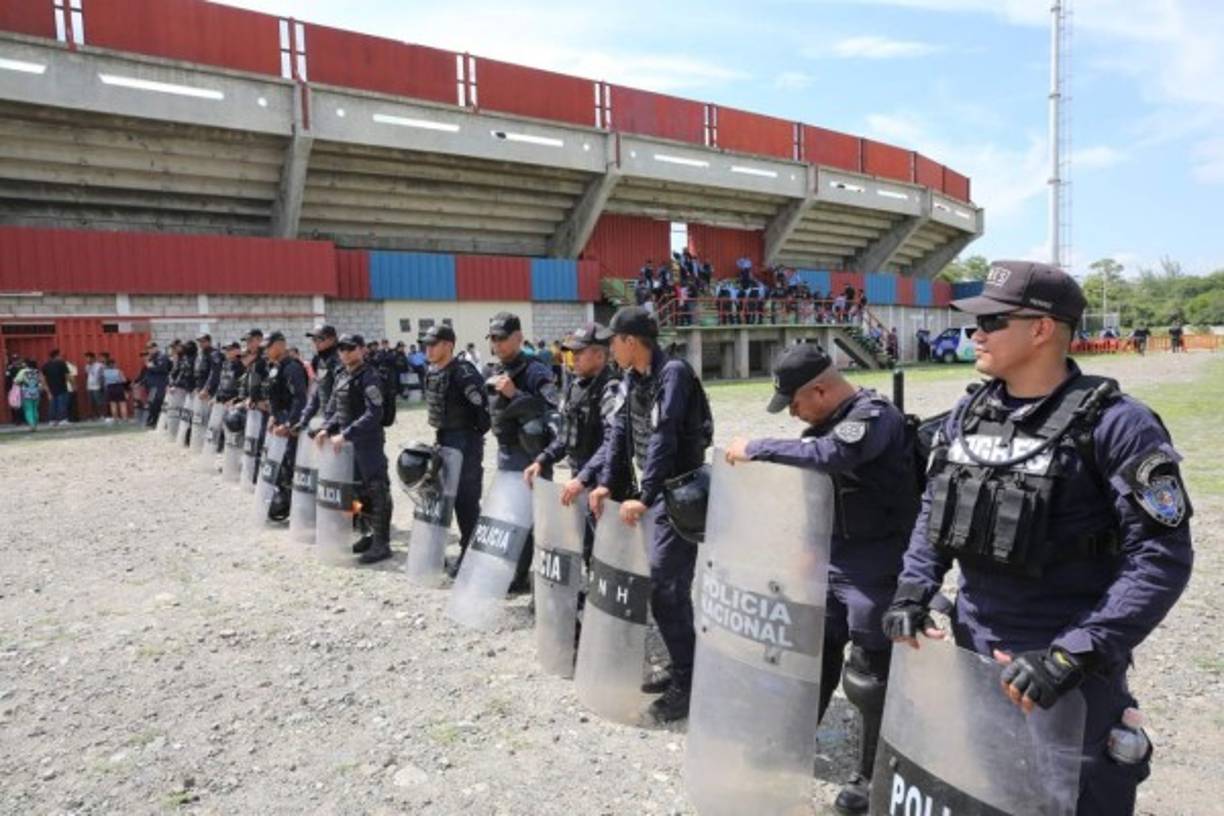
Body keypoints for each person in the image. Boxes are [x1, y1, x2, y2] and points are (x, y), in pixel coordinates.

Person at [881, 260, 1193, 815]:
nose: (975, 333)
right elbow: (936, 509)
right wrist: (913, 588)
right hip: (974, 650)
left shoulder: (1118, 425)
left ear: (1043, 328)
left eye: (992, 321)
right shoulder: (969, 413)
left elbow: (1161, 558)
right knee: (987, 789)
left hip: (1067, 669)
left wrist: (1072, 655)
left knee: (1071, 800)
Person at [723, 344, 919, 814]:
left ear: (821, 389)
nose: (792, 415)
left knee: (871, 678)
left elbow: (834, 456)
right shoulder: (825, 422)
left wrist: (759, 447)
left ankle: (873, 775)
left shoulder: (873, 416)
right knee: (812, 657)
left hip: (876, 564)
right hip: (831, 559)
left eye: (794, 404)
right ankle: (791, 743)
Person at [589, 305, 713, 723]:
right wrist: (607, 482)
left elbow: (663, 436)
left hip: (682, 496)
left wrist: (644, 493)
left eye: (613, 341)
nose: (610, 349)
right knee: (667, 588)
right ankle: (688, 671)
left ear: (630, 341)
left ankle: (690, 682)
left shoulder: (673, 373)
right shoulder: (630, 377)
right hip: (659, 496)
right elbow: (621, 431)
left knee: (666, 585)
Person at [524, 322, 627, 559]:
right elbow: (566, 435)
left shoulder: (611, 389)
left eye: (580, 353)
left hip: (605, 483)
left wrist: (584, 478)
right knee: (584, 545)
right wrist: (542, 459)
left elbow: (613, 442)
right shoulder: (575, 387)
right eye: (572, 352)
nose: (574, 358)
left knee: (609, 552)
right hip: (580, 480)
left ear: (600, 355)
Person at [487, 311, 560, 591]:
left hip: (531, 456)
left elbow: (552, 412)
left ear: (518, 337)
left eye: (503, 339)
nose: (497, 345)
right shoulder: (494, 372)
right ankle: (517, 576)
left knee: (540, 523)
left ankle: (547, 583)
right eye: (493, 339)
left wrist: (515, 395)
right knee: (512, 519)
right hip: (505, 454)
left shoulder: (536, 371)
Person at [316, 333, 394, 564]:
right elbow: (336, 411)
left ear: (362, 350)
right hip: (347, 446)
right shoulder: (341, 375)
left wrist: (346, 434)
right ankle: (368, 533)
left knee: (377, 490)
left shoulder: (369, 377)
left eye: (351, 348)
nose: (345, 353)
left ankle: (382, 543)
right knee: (357, 492)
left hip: (367, 443)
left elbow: (375, 413)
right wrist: (326, 429)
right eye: (342, 349)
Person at [419, 324, 490, 576]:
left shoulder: (463, 372)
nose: (427, 349)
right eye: (426, 344)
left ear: (448, 345)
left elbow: (483, 414)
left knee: (466, 500)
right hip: (445, 439)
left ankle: (472, 554)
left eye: (433, 344)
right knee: (443, 495)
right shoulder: (435, 370)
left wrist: (470, 441)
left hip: (465, 442)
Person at [264, 331, 310, 521]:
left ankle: (302, 510)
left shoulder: (292, 367)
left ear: (281, 345)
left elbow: (300, 399)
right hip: (280, 421)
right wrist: (273, 416)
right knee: (282, 465)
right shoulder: (276, 367)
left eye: (269, 346)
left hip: (291, 424)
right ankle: (285, 503)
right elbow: (274, 396)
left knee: (293, 465)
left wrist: (290, 423)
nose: (266, 350)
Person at [295, 324, 341, 434]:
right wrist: (304, 419)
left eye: (319, 339)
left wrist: (328, 425)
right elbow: (318, 393)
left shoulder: (339, 361)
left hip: (341, 423)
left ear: (332, 339)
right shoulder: (321, 360)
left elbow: (343, 398)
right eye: (314, 340)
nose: (316, 343)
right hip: (328, 420)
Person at [40, 349, 71, 426]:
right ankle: (62, 420)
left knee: (52, 405)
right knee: (62, 404)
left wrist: (47, 390)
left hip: (51, 389)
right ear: (57, 356)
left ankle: (52, 420)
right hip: (62, 387)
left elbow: (42, 379)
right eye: (60, 355)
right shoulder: (62, 363)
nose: (61, 357)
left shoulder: (45, 365)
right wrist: (71, 384)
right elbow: (67, 376)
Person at [14, 359, 45, 431]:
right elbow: (42, 381)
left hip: (26, 392)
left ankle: (31, 425)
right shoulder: (38, 371)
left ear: (27, 365)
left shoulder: (23, 371)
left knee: (28, 409)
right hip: (36, 392)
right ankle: (35, 424)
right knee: (35, 409)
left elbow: (16, 381)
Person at [101, 358, 129, 423]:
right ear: (113, 364)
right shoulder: (118, 371)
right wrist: (126, 390)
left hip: (110, 388)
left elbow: (104, 382)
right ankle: (124, 419)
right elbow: (124, 380)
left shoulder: (104, 372)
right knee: (122, 404)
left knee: (113, 405)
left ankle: (115, 419)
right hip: (118, 387)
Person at [84, 352, 106, 420]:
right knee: (91, 402)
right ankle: (94, 416)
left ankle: (102, 415)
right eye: (86, 358)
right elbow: (87, 375)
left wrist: (102, 385)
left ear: (93, 358)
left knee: (99, 401)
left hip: (97, 386)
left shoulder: (100, 365)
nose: (87, 360)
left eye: (88, 358)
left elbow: (103, 376)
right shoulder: (87, 366)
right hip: (89, 386)